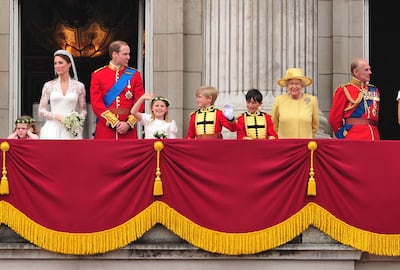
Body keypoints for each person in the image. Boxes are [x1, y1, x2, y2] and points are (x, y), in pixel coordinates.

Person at [90, 40, 144, 139]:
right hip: (106, 129)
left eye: (129, 54)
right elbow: (96, 103)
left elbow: (139, 103)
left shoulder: (135, 75)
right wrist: (114, 122)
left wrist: (128, 124)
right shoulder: (98, 75)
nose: (128, 57)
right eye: (125, 54)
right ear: (115, 54)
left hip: (128, 130)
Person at [38, 50, 87, 139]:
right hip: (52, 128)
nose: (57, 66)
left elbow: (83, 111)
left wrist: (76, 121)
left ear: (69, 64)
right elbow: (41, 111)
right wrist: (56, 116)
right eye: (55, 63)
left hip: (71, 129)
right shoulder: (49, 85)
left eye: (60, 63)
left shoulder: (79, 86)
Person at [328, 58, 380, 140]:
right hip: (353, 136)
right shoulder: (344, 90)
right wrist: (342, 134)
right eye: (366, 70)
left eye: (369, 69)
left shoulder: (374, 90)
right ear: (356, 72)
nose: (370, 72)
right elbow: (334, 119)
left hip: (373, 135)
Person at [271, 68, 319, 139]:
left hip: (305, 144)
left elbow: (315, 124)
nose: (294, 86)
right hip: (285, 144)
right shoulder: (279, 100)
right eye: (291, 84)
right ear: (287, 86)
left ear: (302, 86)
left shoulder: (312, 100)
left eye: (297, 84)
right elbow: (274, 123)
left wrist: (309, 136)